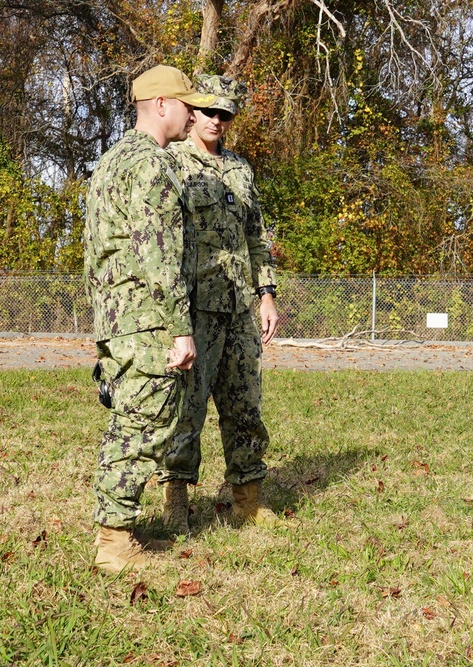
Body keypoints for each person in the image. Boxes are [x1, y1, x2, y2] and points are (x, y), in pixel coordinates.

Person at [84, 65, 217, 573]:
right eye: (186, 103)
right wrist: (181, 330)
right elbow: (161, 256)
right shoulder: (151, 166)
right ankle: (114, 544)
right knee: (142, 428)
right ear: (161, 105)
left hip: (120, 318)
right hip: (148, 321)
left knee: (132, 422)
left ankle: (118, 533)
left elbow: (101, 251)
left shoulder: (111, 162)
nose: (192, 114)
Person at [158, 74, 279, 533]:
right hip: (192, 310)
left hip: (237, 308)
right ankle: (175, 500)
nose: (217, 121)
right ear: (192, 113)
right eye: (210, 111)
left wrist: (265, 294)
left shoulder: (240, 170)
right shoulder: (171, 164)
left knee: (245, 403)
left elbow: (255, 237)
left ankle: (247, 499)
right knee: (186, 407)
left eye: (225, 114)